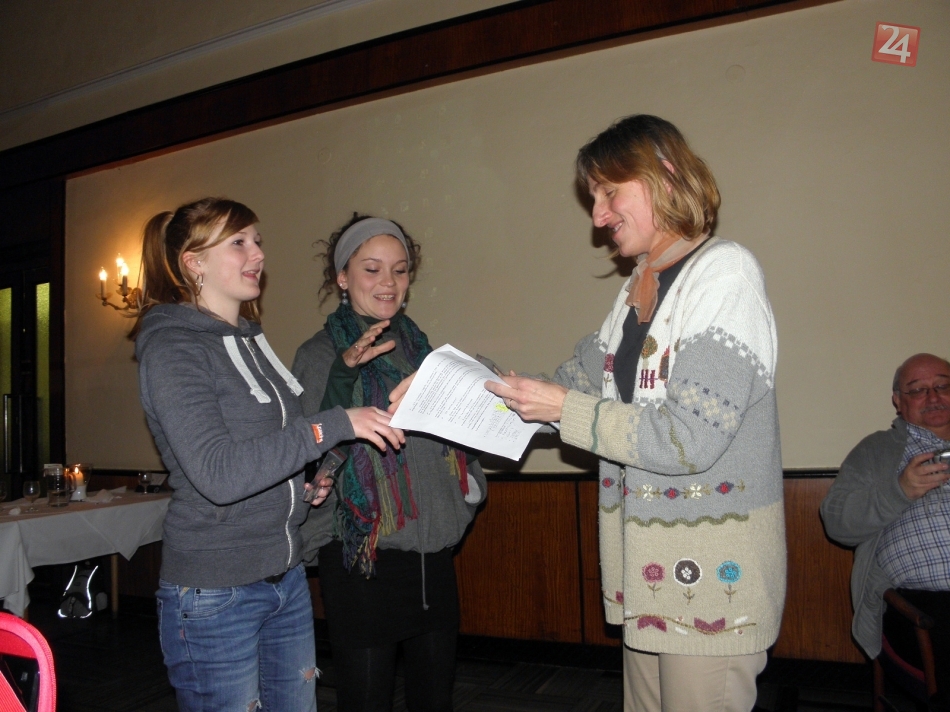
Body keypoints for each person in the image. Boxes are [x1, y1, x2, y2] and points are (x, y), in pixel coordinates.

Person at [471, 115, 785, 712]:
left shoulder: (724, 273)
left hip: (711, 586)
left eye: (609, 193)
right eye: (593, 198)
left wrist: (562, 407)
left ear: (664, 175)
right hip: (647, 580)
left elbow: (688, 439)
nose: (597, 216)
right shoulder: (637, 291)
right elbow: (566, 386)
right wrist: (461, 379)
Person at [131, 197, 404, 712]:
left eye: (257, 241)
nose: (257, 253)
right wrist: (336, 423)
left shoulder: (250, 341)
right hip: (215, 590)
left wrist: (302, 486)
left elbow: (268, 448)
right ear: (193, 262)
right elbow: (218, 474)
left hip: (285, 578)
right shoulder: (173, 347)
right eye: (238, 242)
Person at [292, 215, 487, 712]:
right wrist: (343, 378)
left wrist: (467, 491)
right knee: (366, 700)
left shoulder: (423, 351)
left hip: (431, 553)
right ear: (342, 277)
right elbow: (308, 455)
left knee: (434, 699)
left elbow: (456, 438)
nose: (388, 282)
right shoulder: (318, 355)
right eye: (372, 268)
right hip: (361, 559)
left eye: (399, 270)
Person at [821, 353, 950, 690]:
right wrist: (900, 490)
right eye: (917, 390)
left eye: (943, 386)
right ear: (898, 401)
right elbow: (837, 522)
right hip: (923, 607)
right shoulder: (875, 451)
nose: (933, 397)